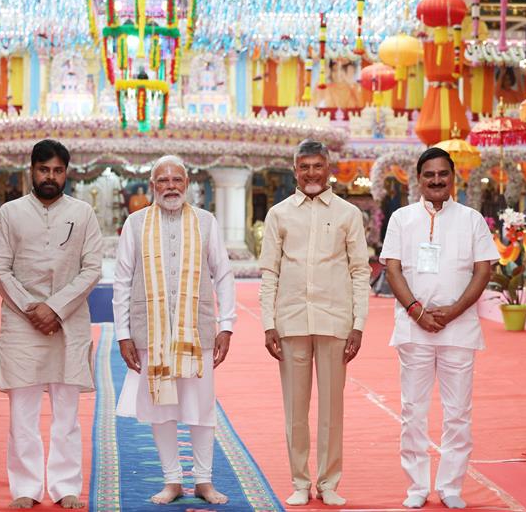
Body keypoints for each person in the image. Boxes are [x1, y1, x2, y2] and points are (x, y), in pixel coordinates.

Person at [380, 147, 499, 510]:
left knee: (458, 411)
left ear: (452, 178)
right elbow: (392, 269)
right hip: (414, 329)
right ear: (418, 179)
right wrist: (417, 311)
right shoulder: (402, 218)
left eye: (442, 174)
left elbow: (483, 270)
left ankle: (450, 486)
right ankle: (417, 485)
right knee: (413, 409)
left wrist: (452, 312)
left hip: (458, 330)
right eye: (429, 174)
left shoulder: (472, 219)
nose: (436, 180)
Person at [112, 155, 236, 505]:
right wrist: (123, 334)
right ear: (153, 186)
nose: (170, 187)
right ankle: (172, 481)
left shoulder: (205, 222)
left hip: (197, 333)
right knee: (161, 408)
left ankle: (204, 480)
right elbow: (122, 282)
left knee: (201, 407)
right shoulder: (135, 224)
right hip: (150, 332)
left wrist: (226, 326)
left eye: (176, 180)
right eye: (163, 181)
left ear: (187, 184)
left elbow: (223, 276)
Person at [0, 139, 103, 509]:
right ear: (31, 171)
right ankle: (25, 488)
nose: (50, 177)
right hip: (22, 325)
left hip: (68, 323)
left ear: (66, 172)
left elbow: (92, 269)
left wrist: (54, 308)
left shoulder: (83, 213)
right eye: (43, 170)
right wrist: (31, 308)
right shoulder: (10, 213)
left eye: (57, 170)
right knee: (22, 413)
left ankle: (65, 485)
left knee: (66, 413)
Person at [259, 139, 371, 506]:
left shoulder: (347, 214)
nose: (311, 173)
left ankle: (328, 482)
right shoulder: (279, 214)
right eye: (304, 167)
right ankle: (299, 480)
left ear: (329, 169)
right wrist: (267, 323)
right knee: (295, 409)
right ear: (295, 171)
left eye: (317, 166)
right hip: (290, 321)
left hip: (335, 321)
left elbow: (359, 271)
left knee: (331, 410)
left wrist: (358, 324)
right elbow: (269, 273)